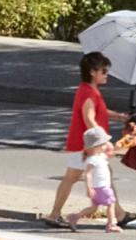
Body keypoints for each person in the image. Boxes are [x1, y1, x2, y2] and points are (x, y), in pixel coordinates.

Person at [48, 50, 116, 228]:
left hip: (85, 144)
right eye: (104, 71)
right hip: (84, 145)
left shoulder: (90, 91)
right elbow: (89, 119)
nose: (106, 75)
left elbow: (99, 113)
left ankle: (116, 215)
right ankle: (55, 214)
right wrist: (104, 141)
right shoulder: (88, 93)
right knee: (74, 177)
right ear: (93, 72)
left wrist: (120, 117)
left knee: (79, 177)